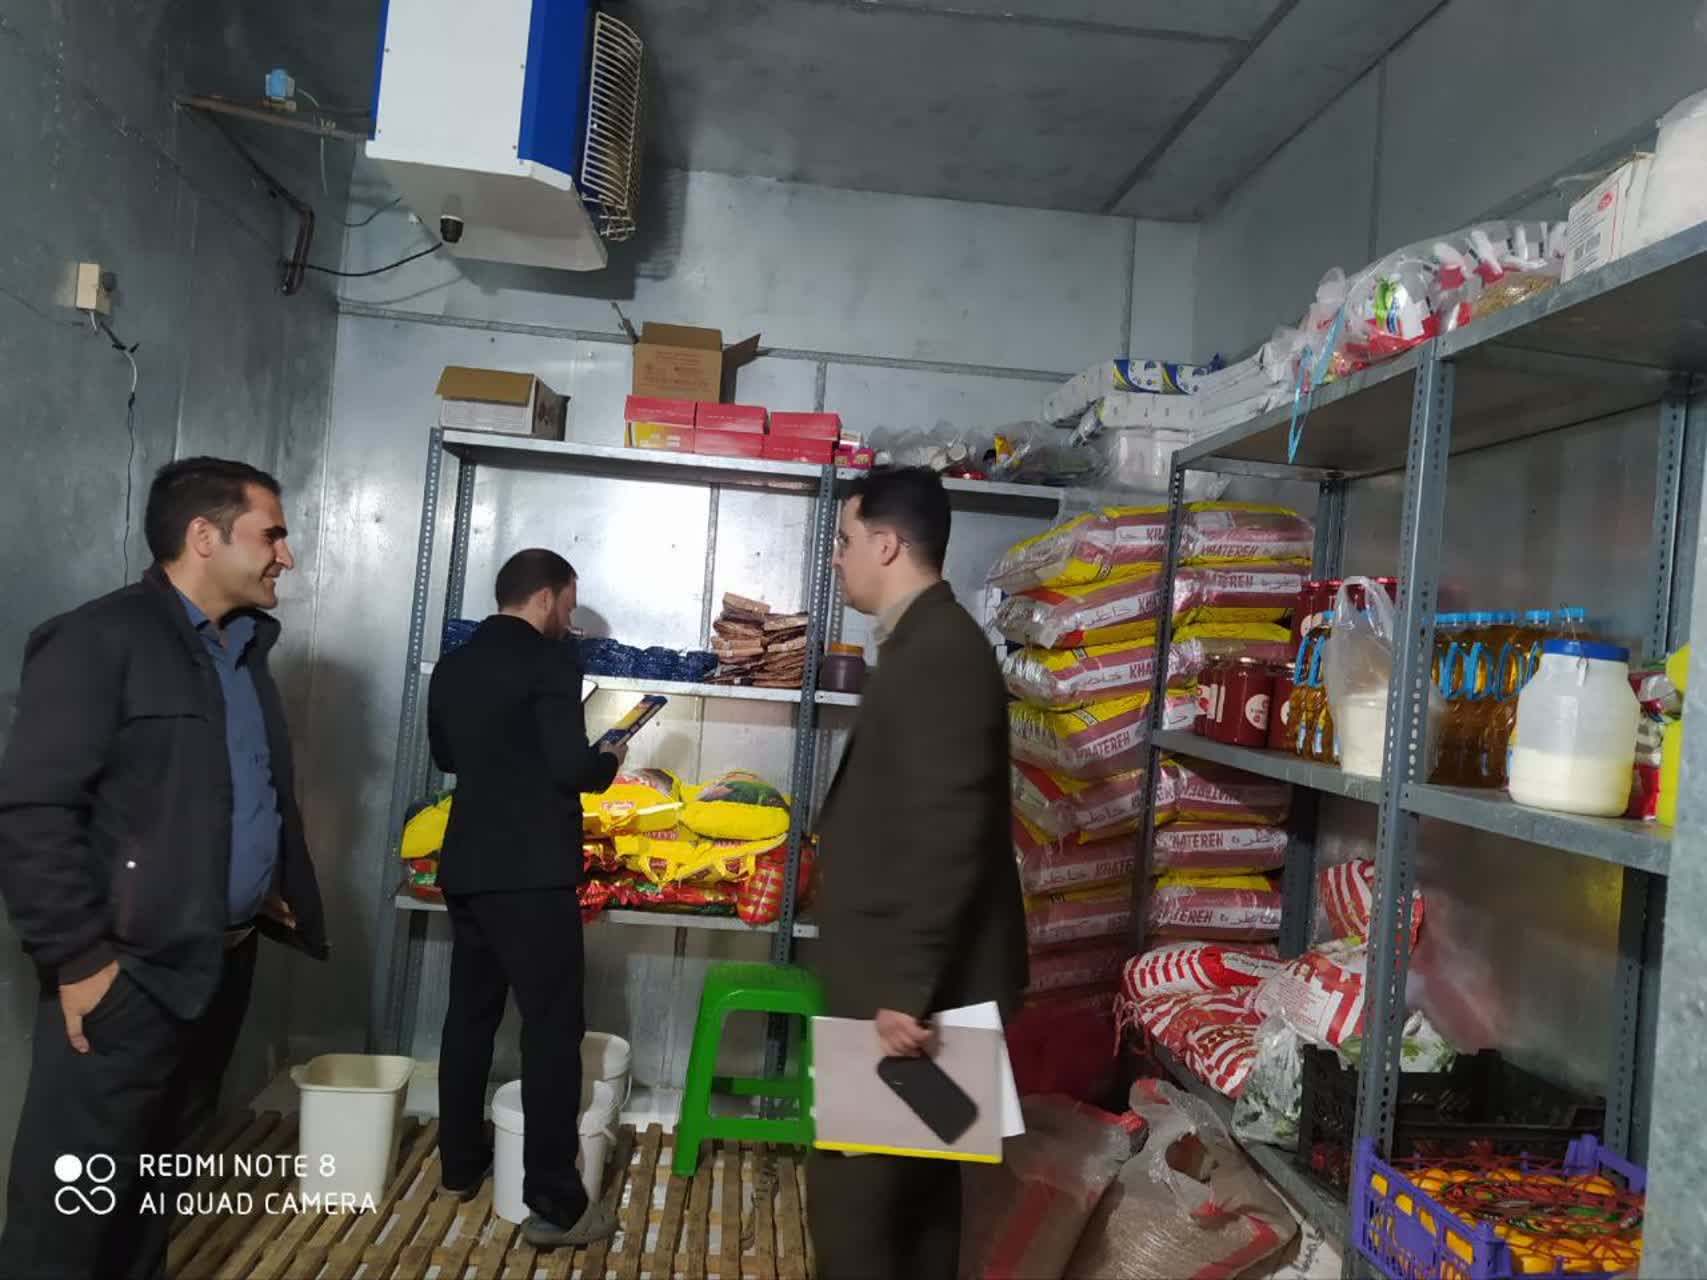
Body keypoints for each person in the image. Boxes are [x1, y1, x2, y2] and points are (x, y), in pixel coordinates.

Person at [0, 456, 329, 1280]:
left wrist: (262, 880)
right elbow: (35, 811)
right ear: (204, 535)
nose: (285, 555)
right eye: (271, 535)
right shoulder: (97, 640)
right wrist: (79, 959)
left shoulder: (240, 649)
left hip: (219, 961)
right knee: (72, 1206)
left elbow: (216, 788)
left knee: (155, 1184)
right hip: (128, 973)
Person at [808, 467, 1028, 1279]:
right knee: (921, 1201)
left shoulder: (941, 653)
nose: (836, 558)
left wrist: (905, 987)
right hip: (920, 985)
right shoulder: (922, 642)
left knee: (858, 1211)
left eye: (844, 540)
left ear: (886, 544)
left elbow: (950, 830)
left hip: (911, 1000)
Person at [427, 548, 625, 1248]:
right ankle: (556, 1203)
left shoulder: (453, 665)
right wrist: (609, 758)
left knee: (469, 1017)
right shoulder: (550, 663)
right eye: (569, 603)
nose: (569, 617)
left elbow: (447, 757)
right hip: (533, 875)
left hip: (468, 868)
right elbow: (571, 766)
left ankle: (458, 1165)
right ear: (546, 597)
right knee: (550, 1030)